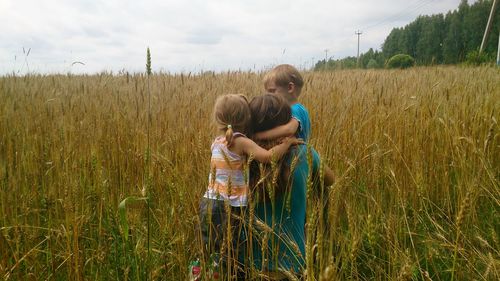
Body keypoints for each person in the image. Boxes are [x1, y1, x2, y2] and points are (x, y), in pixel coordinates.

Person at [196, 94, 303, 280]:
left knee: (207, 246)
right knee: (232, 251)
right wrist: (287, 143)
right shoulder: (241, 141)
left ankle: (199, 273)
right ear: (247, 119)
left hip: (208, 202)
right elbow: (268, 157)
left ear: (218, 119)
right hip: (230, 206)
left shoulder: (217, 141)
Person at [247, 94, 334, 279]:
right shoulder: (304, 153)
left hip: (249, 262)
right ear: (285, 123)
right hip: (293, 263)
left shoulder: (242, 158)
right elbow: (331, 180)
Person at [255, 64, 311, 142]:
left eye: (272, 91)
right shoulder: (294, 109)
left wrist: (258, 136)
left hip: (298, 153)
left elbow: (289, 129)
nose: (267, 95)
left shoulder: (296, 109)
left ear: (290, 88)